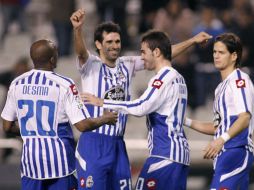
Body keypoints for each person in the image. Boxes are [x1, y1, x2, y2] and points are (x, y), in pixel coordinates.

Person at [70, 9, 212, 190]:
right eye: (109, 42)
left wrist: (192, 41)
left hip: (117, 144)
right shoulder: (90, 64)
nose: (115, 46)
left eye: (117, 41)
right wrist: (77, 30)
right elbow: (81, 52)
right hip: (94, 141)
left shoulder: (126, 64)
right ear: (98, 44)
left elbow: (160, 54)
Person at [0, 39, 118, 190]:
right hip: (60, 165)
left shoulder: (17, 83)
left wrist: (33, 130)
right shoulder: (64, 84)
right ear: (52, 59)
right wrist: (105, 118)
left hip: (31, 165)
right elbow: (83, 125)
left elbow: (7, 126)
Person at [83, 30, 190, 190]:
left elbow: (141, 107)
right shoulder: (179, 78)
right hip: (180, 155)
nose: (142, 57)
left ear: (156, 52)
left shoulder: (162, 78)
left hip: (165, 154)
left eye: (143, 52)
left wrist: (102, 102)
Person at [183, 33, 254, 189]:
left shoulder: (239, 80)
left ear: (234, 55)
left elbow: (244, 118)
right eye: (214, 52)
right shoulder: (220, 88)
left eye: (221, 52)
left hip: (236, 150)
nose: (216, 56)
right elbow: (218, 128)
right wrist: (184, 121)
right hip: (226, 153)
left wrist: (220, 140)